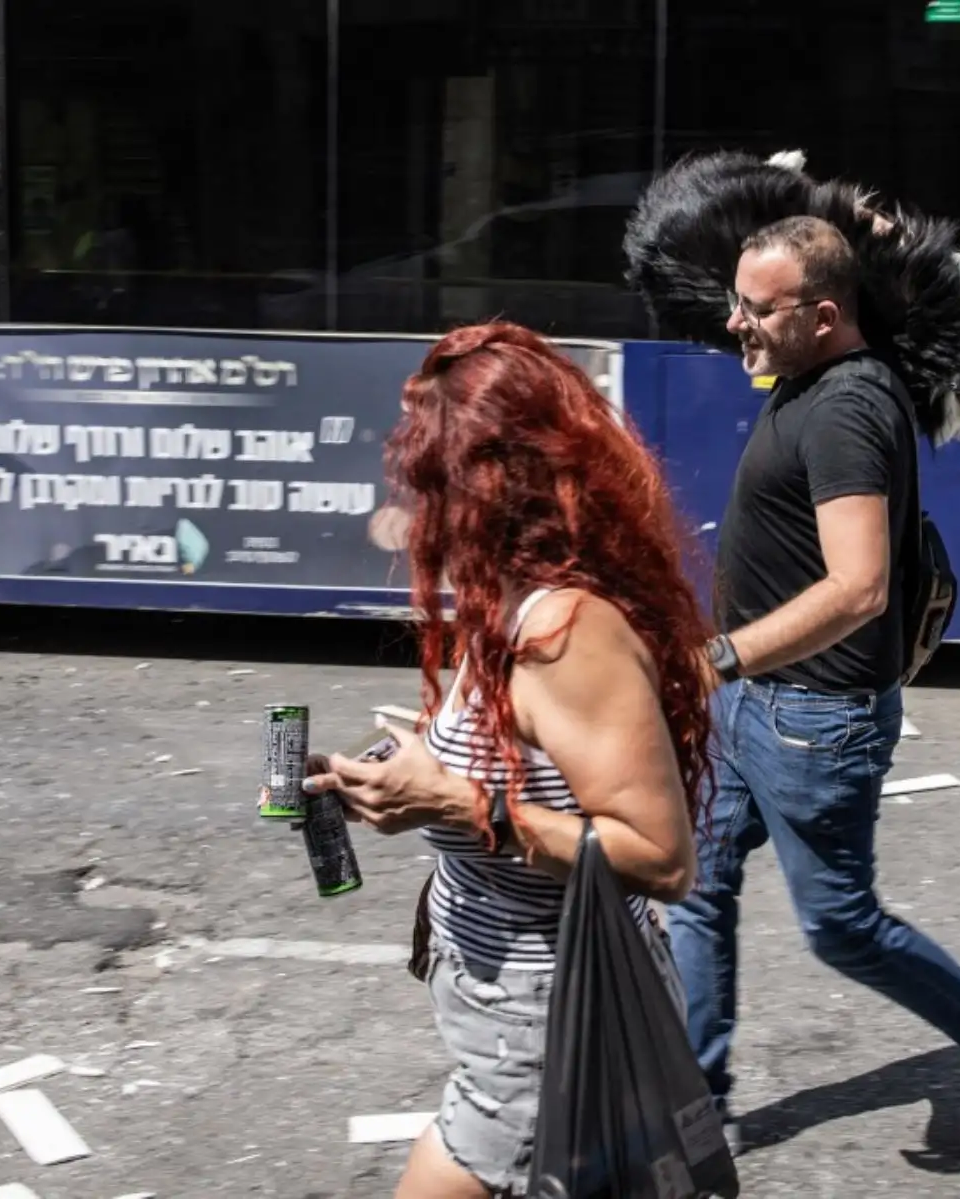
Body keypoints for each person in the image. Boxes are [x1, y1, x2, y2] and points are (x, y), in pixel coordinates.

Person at [664, 215, 960, 1171]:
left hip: (812, 719)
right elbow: (869, 255)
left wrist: (716, 658)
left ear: (823, 316)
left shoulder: (848, 407)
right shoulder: (813, 364)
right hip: (749, 701)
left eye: (756, 309)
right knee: (694, 882)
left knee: (841, 926)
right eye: (735, 301)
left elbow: (859, 589)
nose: (733, 323)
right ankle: (695, 1103)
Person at [301, 321, 716, 1199]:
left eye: (431, 478)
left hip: (550, 1018)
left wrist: (460, 805)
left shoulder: (565, 631)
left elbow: (661, 858)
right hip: (506, 1010)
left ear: (487, 484)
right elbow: (517, 758)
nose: (417, 507)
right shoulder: (510, 599)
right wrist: (400, 773)